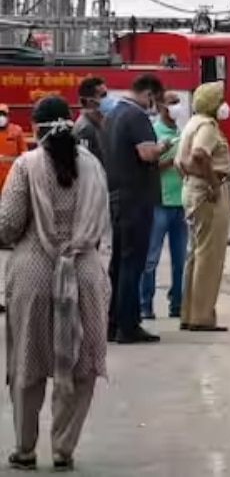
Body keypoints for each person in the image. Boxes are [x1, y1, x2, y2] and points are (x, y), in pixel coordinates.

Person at [0, 95, 110, 471]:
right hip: (85, 275)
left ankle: (25, 449)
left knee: (28, 363)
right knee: (80, 366)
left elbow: (8, 225)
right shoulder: (94, 166)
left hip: (33, 273)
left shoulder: (26, 165)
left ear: (36, 128)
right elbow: (102, 226)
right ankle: (64, 450)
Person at [103, 74, 167, 344]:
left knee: (118, 262)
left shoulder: (112, 116)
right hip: (135, 199)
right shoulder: (136, 116)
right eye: (157, 100)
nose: (156, 106)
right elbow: (146, 153)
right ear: (149, 94)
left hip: (116, 196)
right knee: (133, 262)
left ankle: (113, 321)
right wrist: (163, 146)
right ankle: (128, 325)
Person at [177, 82, 230, 333]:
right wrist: (212, 183)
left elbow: (182, 160)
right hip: (207, 192)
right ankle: (202, 317)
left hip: (192, 189)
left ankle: (189, 313)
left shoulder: (192, 122)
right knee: (209, 256)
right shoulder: (207, 127)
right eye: (221, 100)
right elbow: (200, 153)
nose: (225, 105)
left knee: (195, 254)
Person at [141, 92, 188, 321]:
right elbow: (149, 166)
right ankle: (145, 304)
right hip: (160, 203)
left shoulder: (181, 133)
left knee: (181, 260)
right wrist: (171, 160)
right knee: (151, 259)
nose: (176, 107)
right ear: (161, 106)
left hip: (181, 204)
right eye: (172, 103)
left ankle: (177, 303)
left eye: (178, 102)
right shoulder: (154, 133)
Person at [72, 77, 108, 167]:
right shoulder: (86, 129)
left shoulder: (97, 124)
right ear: (90, 101)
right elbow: (86, 165)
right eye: (103, 95)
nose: (108, 99)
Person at [0, 101, 29, 191]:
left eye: (3, 114)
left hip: (12, 176)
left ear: (8, 116)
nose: (1, 117)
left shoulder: (16, 131)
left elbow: (24, 154)